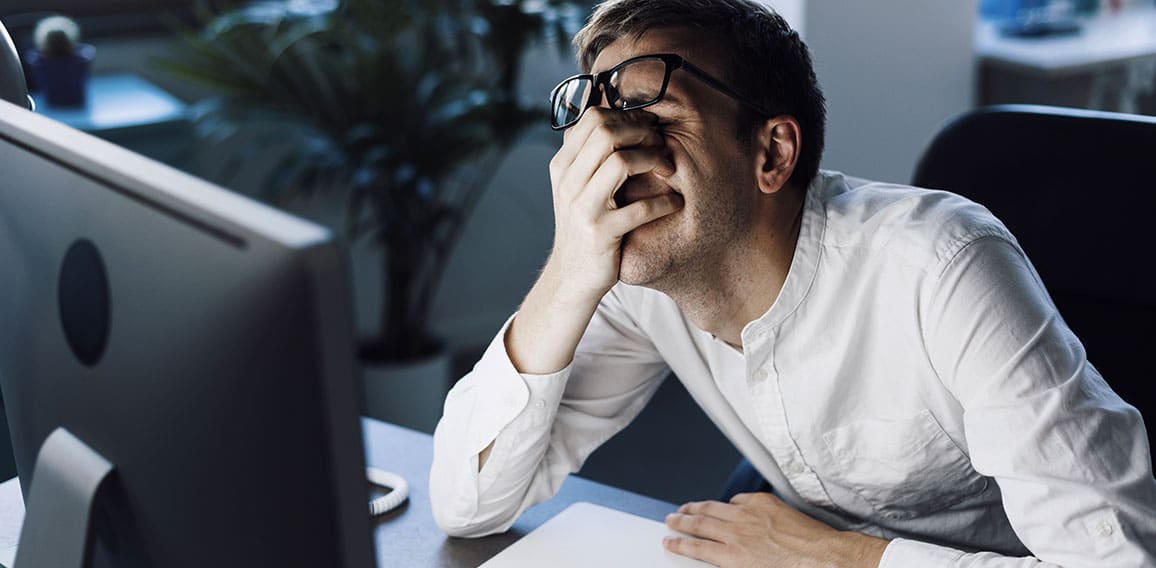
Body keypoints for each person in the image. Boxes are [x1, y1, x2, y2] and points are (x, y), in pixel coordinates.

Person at [429, 0, 1156, 565]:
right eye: (594, 121)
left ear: (772, 152)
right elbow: (468, 506)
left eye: (648, 109)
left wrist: (846, 562)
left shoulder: (938, 268)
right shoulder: (636, 285)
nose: (612, 155)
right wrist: (570, 268)